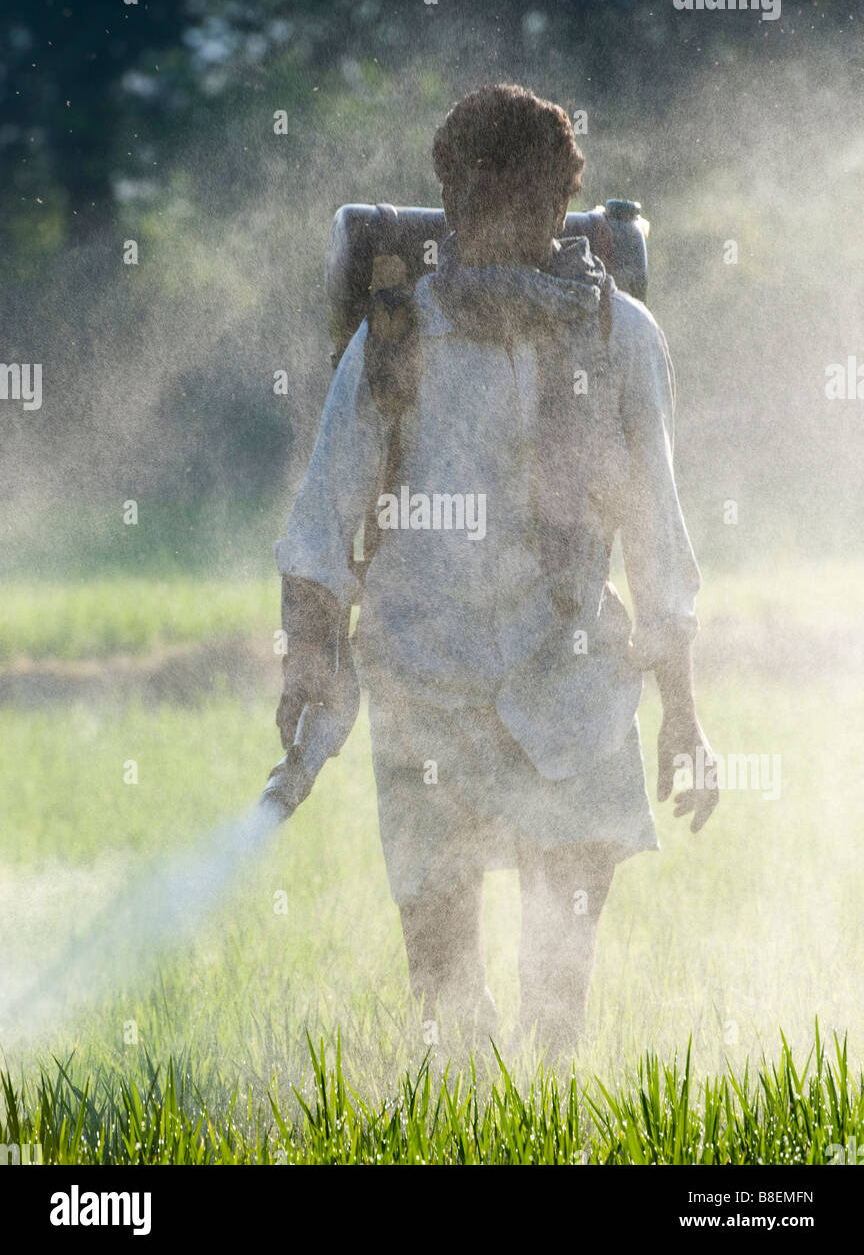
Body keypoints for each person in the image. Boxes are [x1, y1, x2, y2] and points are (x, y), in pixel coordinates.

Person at [274, 84, 718, 1052]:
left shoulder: (620, 340)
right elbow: (321, 529)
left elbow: (658, 541)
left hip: (573, 697)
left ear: (562, 211)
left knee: (556, 1002)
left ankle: (544, 1142)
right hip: (424, 691)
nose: (499, 231)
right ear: (452, 208)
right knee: (445, 995)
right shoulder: (394, 339)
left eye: (524, 207)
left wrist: (683, 715)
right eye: (479, 208)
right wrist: (308, 660)